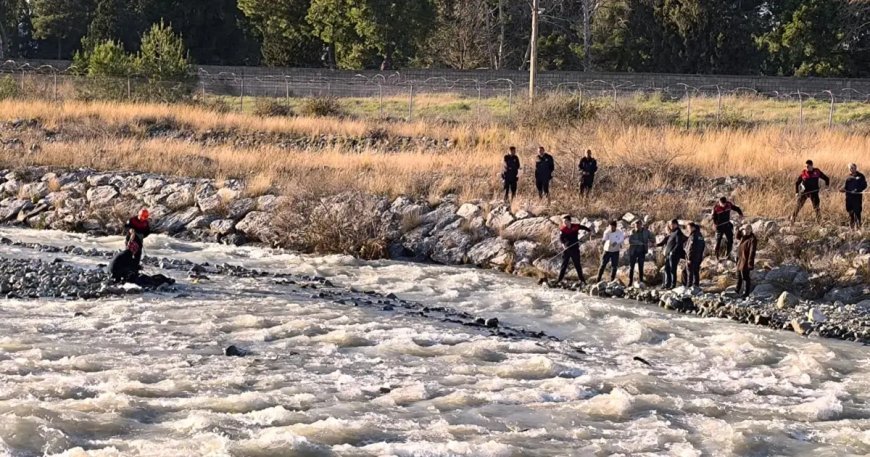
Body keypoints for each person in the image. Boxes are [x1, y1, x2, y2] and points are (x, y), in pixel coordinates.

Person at [556, 215, 592, 284]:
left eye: (565, 221)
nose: (564, 223)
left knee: (577, 265)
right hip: (567, 249)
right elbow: (561, 240)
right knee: (564, 265)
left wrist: (589, 231)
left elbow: (583, 227)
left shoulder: (575, 226)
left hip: (575, 249)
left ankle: (582, 281)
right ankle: (559, 280)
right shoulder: (563, 230)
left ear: (569, 221)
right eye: (563, 222)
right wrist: (564, 247)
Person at [657, 219, 687, 289]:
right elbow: (665, 242)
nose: (671, 226)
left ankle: (672, 285)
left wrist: (672, 252)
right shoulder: (672, 233)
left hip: (674, 255)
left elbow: (678, 244)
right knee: (667, 269)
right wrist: (656, 245)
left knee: (672, 270)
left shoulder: (678, 232)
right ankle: (667, 284)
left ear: (676, 224)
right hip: (668, 255)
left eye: (672, 224)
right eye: (670, 225)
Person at [626, 220, 654, 287]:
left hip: (642, 251)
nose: (637, 227)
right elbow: (630, 240)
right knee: (631, 267)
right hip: (633, 251)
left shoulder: (646, 231)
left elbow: (652, 237)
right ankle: (630, 282)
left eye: (638, 226)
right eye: (635, 226)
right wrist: (639, 242)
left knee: (641, 267)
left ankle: (641, 281)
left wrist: (652, 241)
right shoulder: (632, 231)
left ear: (641, 225)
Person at [840, 163, 867, 230]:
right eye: (850, 168)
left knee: (857, 212)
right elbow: (845, 187)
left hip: (857, 197)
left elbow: (864, 185)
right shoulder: (848, 177)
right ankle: (852, 228)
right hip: (849, 198)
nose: (852, 169)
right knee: (850, 212)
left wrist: (857, 190)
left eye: (853, 168)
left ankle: (859, 228)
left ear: (856, 168)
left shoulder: (861, 176)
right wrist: (842, 189)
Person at [735, 224, 758, 298]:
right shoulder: (744, 237)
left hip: (746, 259)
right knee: (738, 275)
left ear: (751, 230)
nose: (747, 230)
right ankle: (737, 290)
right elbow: (737, 236)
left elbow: (752, 251)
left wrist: (750, 263)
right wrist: (740, 229)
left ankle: (746, 292)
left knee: (745, 276)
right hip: (740, 259)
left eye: (748, 229)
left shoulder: (752, 239)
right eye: (745, 229)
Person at [685, 223, 706, 288]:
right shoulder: (700, 236)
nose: (688, 230)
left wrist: (689, 258)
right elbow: (703, 246)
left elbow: (691, 248)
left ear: (693, 227)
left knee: (690, 272)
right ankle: (696, 285)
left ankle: (689, 286)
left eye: (689, 228)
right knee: (695, 271)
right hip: (698, 257)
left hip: (692, 257)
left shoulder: (693, 236)